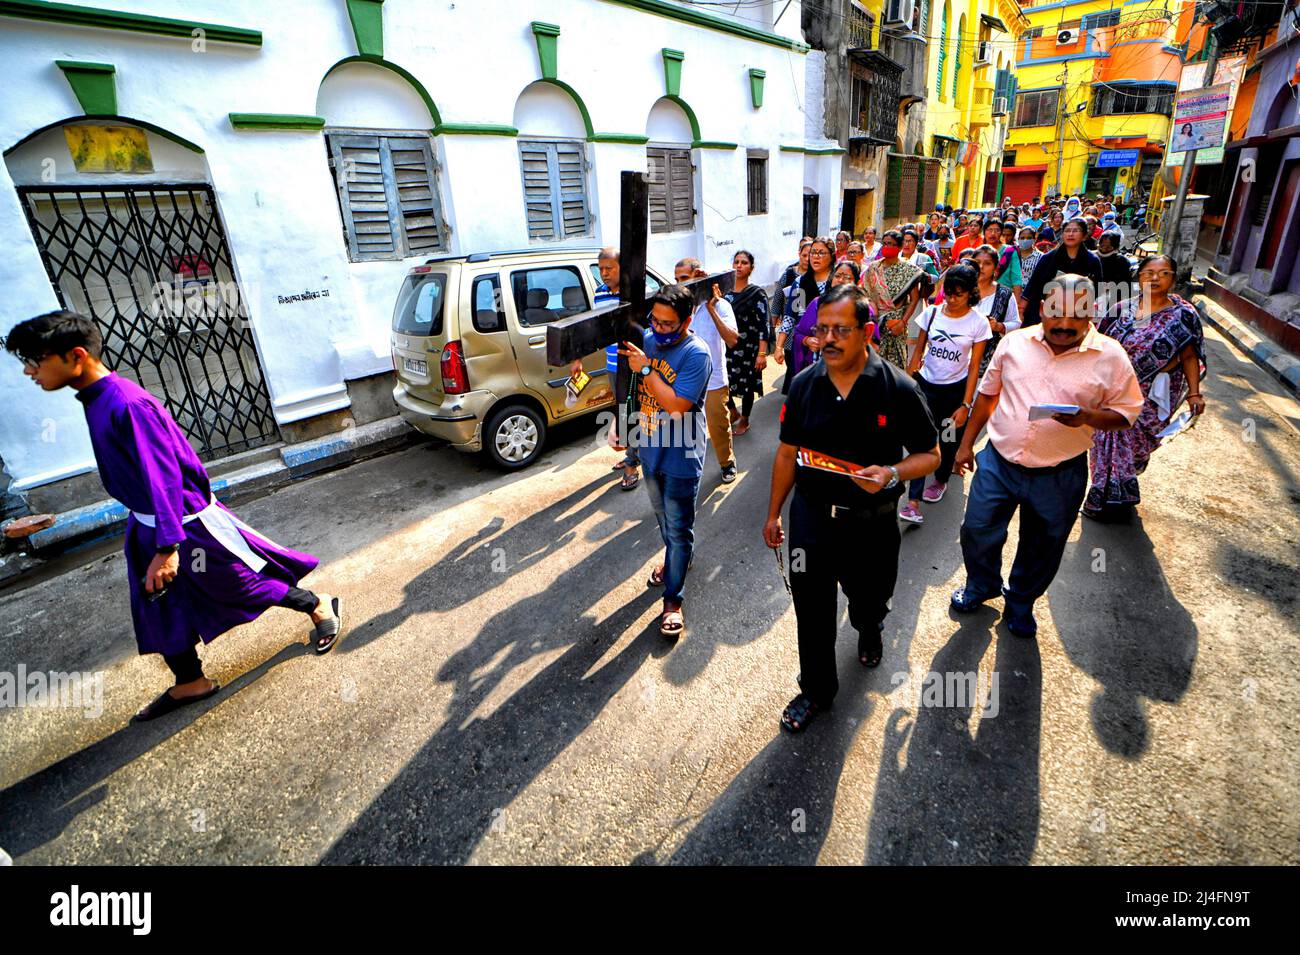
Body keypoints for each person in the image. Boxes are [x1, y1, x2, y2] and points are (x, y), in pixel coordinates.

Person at [6, 312, 340, 721]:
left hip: (185, 525)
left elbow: (162, 476)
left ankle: (317, 604)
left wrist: (168, 546)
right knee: (158, 605)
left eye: (35, 360)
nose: (28, 371)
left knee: (240, 585)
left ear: (75, 356)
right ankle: (189, 681)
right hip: (149, 524)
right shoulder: (97, 400)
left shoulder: (127, 404)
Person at [762, 284, 940, 732]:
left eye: (841, 329)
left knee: (868, 599)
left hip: (871, 525)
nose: (829, 339)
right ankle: (816, 690)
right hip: (812, 520)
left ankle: (870, 626)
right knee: (812, 608)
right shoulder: (803, 386)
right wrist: (773, 513)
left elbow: (932, 455)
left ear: (867, 332)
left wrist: (892, 473)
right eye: (822, 329)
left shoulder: (899, 387)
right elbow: (787, 453)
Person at [949, 274, 1144, 638]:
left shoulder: (1111, 356)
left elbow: (1127, 412)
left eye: (1077, 313)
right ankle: (981, 585)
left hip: (1060, 473)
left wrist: (1086, 417)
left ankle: (1020, 603)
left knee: (1044, 545)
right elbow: (988, 395)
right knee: (976, 531)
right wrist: (965, 445)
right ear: (1043, 309)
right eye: (1056, 311)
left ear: (1092, 312)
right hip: (999, 462)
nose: (1065, 323)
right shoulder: (1014, 343)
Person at [618, 284, 712, 638]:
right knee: (664, 521)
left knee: (679, 526)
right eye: (654, 320)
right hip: (649, 448)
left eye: (667, 323)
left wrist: (646, 370)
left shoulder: (696, 354)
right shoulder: (649, 340)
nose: (657, 329)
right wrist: (625, 430)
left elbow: (675, 406)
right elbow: (635, 392)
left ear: (687, 321)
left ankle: (673, 600)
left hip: (681, 454)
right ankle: (677, 559)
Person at [1084, 255, 1207, 521]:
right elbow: (1098, 345)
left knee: (1136, 444)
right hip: (1112, 390)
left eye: (1163, 273)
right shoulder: (1120, 308)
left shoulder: (1183, 316)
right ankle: (1105, 496)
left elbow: (1189, 357)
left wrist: (1194, 393)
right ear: (1138, 276)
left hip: (1151, 394)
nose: (1154, 278)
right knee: (1107, 438)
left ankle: (1121, 481)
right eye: (1148, 272)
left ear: (1173, 278)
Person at [899, 263, 991, 525]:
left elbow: (974, 367)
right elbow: (919, 349)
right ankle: (913, 502)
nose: (951, 299)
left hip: (955, 391)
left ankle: (940, 480)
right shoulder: (933, 313)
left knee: (948, 440)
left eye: (958, 294)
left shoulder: (978, 323)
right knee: (922, 440)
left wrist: (966, 404)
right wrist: (910, 377)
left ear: (970, 293)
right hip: (926, 385)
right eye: (948, 292)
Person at [574, 247, 642, 491]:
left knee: (631, 412)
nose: (604, 273)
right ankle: (632, 454)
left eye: (609, 268)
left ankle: (633, 464)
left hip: (632, 364)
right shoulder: (600, 294)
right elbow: (594, 329)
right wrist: (578, 358)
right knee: (622, 412)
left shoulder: (633, 292)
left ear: (621, 268)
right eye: (601, 269)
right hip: (612, 365)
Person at [675, 258, 740, 484]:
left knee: (718, 426)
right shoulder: (679, 307)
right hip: (685, 381)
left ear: (699, 275)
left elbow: (732, 340)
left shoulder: (721, 305)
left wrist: (711, 308)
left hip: (713, 379)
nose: (680, 285)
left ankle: (727, 463)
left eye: (684, 278)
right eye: (677, 280)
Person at [1021, 218, 1103, 327]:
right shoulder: (1048, 258)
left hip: (1077, 314)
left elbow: (1097, 290)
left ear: (1084, 235)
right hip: (1046, 311)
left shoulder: (1092, 260)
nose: (1070, 234)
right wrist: (1021, 310)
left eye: (1075, 231)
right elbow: (1032, 286)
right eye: (1067, 231)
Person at [862, 229, 925, 369]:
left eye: (890, 244)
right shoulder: (874, 268)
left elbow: (914, 299)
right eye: (884, 244)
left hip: (895, 323)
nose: (886, 247)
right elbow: (865, 293)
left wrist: (902, 322)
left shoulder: (909, 270)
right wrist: (873, 313)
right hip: (875, 322)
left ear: (899, 247)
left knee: (894, 365)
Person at [724, 249, 771, 436]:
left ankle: (745, 419)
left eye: (744, 263)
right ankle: (733, 411)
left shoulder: (756, 293)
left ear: (751, 268)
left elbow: (764, 324)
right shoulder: (726, 294)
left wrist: (761, 353)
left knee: (748, 385)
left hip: (750, 349)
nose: (739, 266)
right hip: (727, 348)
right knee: (723, 382)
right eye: (736, 262)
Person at [790, 259, 860, 377]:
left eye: (847, 277)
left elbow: (872, 341)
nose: (841, 280)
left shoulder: (863, 308)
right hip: (820, 371)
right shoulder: (818, 304)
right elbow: (798, 333)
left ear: (856, 282)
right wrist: (807, 340)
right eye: (837, 275)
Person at [970, 244, 1021, 378]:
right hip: (960, 361)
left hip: (990, 363)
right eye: (977, 263)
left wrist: (998, 326)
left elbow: (1016, 323)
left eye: (987, 263)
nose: (981, 267)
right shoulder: (962, 290)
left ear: (995, 267)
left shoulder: (1004, 294)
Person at [1094, 230, 1133, 314]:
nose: (1104, 249)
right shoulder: (1093, 257)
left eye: (1108, 247)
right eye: (1102, 246)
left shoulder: (1122, 261)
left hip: (1113, 297)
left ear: (1115, 247)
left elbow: (1125, 285)